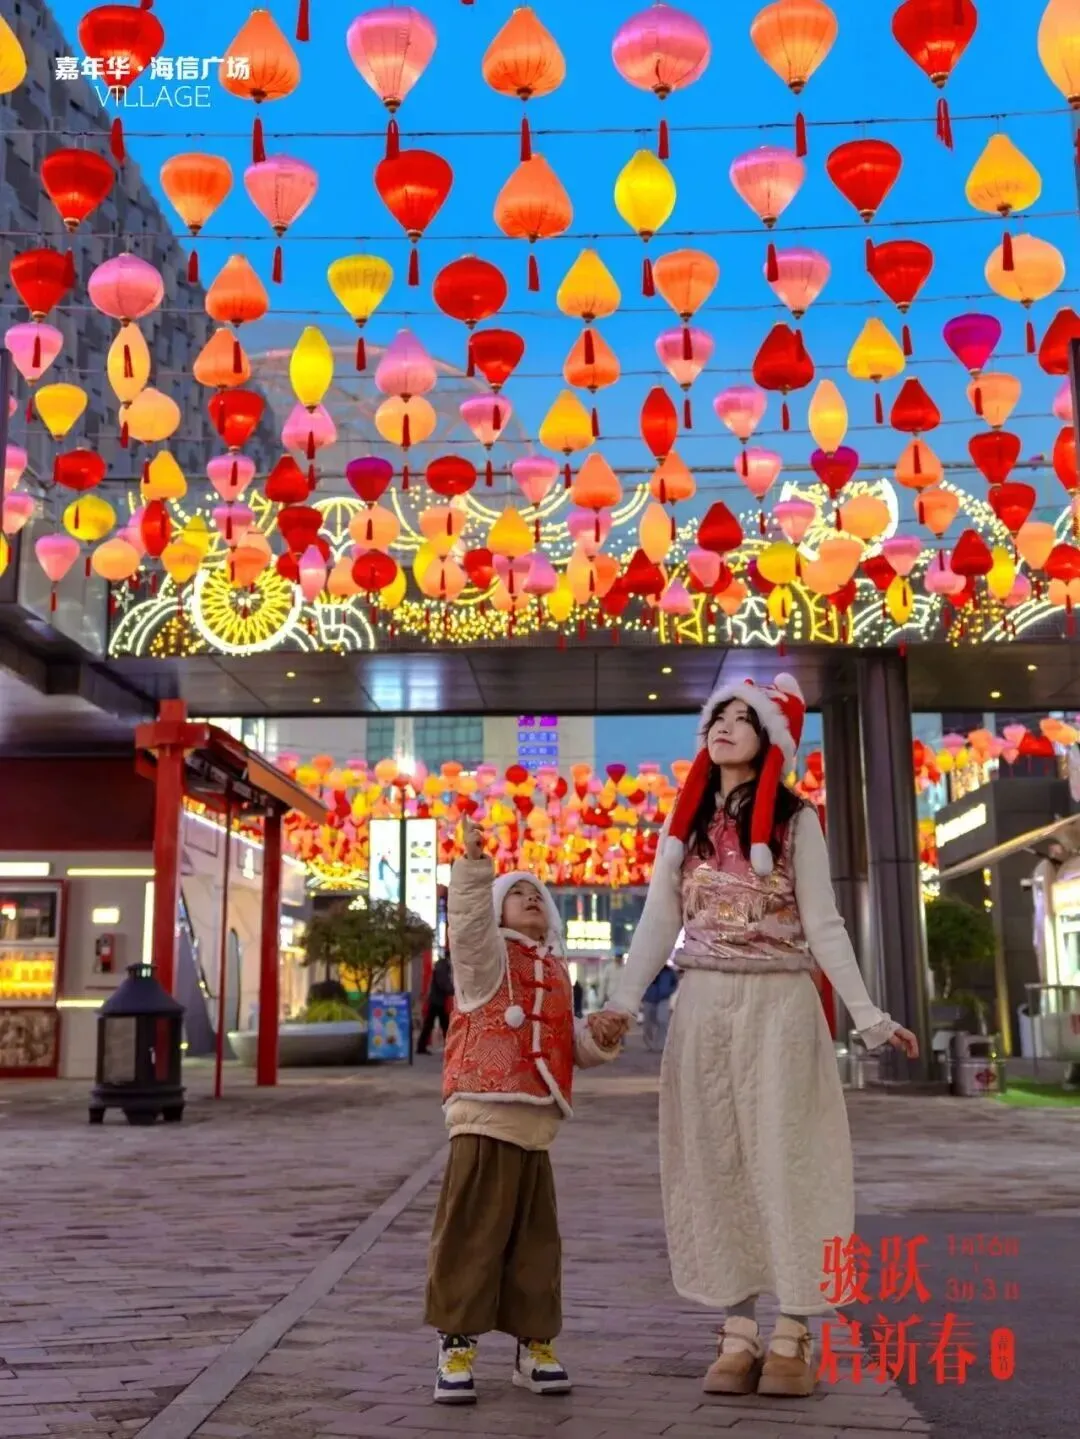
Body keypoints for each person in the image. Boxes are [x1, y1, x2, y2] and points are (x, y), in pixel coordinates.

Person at [591, 674, 919, 1400]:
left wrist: (868, 1014)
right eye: (718, 716)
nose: (726, 726)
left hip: (780, 1007)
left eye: (744, 718)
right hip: (703, 1005)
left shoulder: (799, 821)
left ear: (771, 740)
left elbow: (826, 924)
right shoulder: (684, 830)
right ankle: (737, 1330)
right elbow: (656, 925)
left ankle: (794, 1330)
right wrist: (619, 1001)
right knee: (716, 1162)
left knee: (788, 1160)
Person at [425, 816, 622, 1405]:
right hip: (484, 1119)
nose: (531, 897)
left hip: (537, 1129)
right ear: (495, 909)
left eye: (538, 894)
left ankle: (534, 1344)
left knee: (537, 1245)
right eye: (516, 892)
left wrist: (603, 1036)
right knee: (471, 1237)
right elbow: (467, 928)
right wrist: (474, 867)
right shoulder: (484, 965)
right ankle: (455, 1345)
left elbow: (570, 1046)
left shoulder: (557, 972)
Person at [417, 953, 454, 1054]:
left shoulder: (442, 965)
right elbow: (443, 983)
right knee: (441, 1024)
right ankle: (450, 1046)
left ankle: (421, 1047)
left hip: (437, 1000)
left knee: (433, 1024)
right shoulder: (442, 966)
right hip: (437, 1000)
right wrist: (453, 990)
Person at [641, 962, 678, 1051]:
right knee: (647, 1023)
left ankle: (660, 1045)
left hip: (663, 999)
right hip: (649, 998)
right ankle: (649, 1044)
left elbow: (675, 983)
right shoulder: (648, 970)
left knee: (663, 1021)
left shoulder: (669, 971)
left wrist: (668, 991)